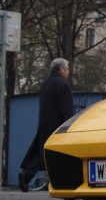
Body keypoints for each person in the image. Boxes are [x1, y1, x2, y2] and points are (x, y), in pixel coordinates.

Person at [18, 58, 75, 192]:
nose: (68, 72)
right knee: (62, 155)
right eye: (67, 69)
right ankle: (64, 186)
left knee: (41, 154)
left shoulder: (45, 84)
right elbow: (66, 110)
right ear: (61, 69)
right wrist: (71, 125)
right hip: (58, 127)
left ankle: (26, 175)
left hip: (44, 124)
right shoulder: (63, 85)